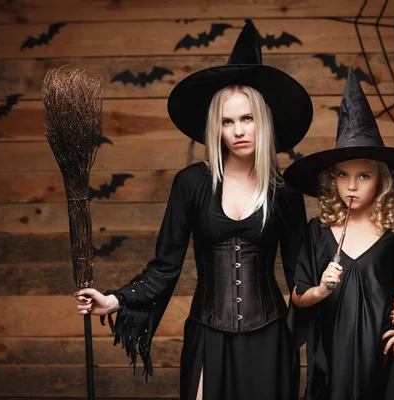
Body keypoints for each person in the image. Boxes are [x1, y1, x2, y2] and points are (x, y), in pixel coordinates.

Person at [74, 19, 312, 400]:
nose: (238, 130)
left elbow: (302, 275)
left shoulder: (284, 192)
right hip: (208, 332)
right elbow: (165, 265)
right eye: (227, 121)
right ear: (215, 128)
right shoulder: (191, 184)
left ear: (262, 121)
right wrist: (114, 299)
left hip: (270, 335)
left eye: (247, 118)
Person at [283, 70, 394, 400]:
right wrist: (320, 289)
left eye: (364, 175)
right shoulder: (317, 232)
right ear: (332, 179)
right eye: (343, 175)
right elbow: (298, 295)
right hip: (332, 359)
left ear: (381, 181)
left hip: (380, 360)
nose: (352, 185)